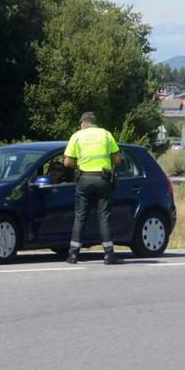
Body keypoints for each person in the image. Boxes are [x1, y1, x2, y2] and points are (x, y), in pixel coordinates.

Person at [63, 112, 124, 265]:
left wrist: (80, 164)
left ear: (83, 123)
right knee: (104, 216)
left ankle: (73, 255)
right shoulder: (106, 134)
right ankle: (109, 255)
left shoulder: (77, 136)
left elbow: (67, 162)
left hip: (84, 178)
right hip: (103, 179)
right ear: (94, 123)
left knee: (80, 215)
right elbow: (117, 160)